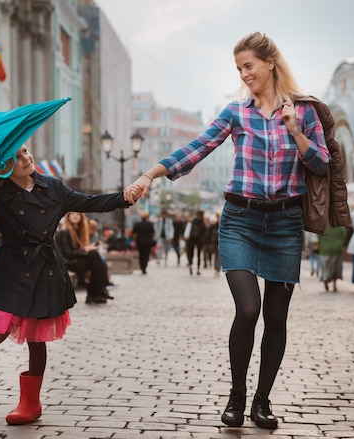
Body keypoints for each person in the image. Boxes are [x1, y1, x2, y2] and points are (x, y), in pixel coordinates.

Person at [130, 31, 331, 429]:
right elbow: (198, 147)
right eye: (239, 68)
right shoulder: (237, 112)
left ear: (269, 63)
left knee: (276, 317)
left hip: (286, 223)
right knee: (248, 308)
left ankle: (262, 402)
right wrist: (151, 174)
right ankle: (236, 395)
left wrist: (295, 130)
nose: (244, 74)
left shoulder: (303, 112)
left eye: (249, 66)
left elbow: (322, 164)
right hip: (240, 220)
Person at [0, 139, 141, 424]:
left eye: (25, 151)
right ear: (4, 168)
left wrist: (125, 197)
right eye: (17, 156)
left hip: (45, 270)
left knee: (37, 337)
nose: (26, 157)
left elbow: (90, 203)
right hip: (12, 270)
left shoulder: (53, 187)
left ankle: (30, 404)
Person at [56, 212, 113, 303]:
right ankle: (98, 291)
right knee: (94, 258)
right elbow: (68, 253)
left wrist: (86, 249)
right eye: (73, 214)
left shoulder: (78, 231)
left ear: (81, 217)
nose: (75, 216)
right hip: (66, 262)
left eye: (78, 214)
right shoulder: (64, 231)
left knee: (95, 259)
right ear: (68, 216)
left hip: (74, 259)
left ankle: (96, 293)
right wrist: (85, 250)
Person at [317, 224, 347, 292]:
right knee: (335, 267)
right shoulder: (339, 225)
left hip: (324, 249)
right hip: (337, 248)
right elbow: (343, 235)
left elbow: (318, 235)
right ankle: (334, 286)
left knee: (325, 267)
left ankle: (325, 278)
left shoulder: (323, 223)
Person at [132, 210, 155, 275]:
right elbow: (152, 233)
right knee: (146, 255)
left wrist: (134, 240)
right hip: (148, 242)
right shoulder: (150, 224)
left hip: (140, 242)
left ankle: (142, 267)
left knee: (141, 255)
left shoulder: (137, 224)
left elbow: (134, 233)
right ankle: (144, 268)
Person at [184, 209, 206, 275]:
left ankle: (190, 265)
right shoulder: (202, 222)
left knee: (191, 253)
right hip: (199, 240)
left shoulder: (192, 221)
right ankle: (198, 269)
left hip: (191, 239)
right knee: (199, 254)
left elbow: (187, 230)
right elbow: (204, 233)